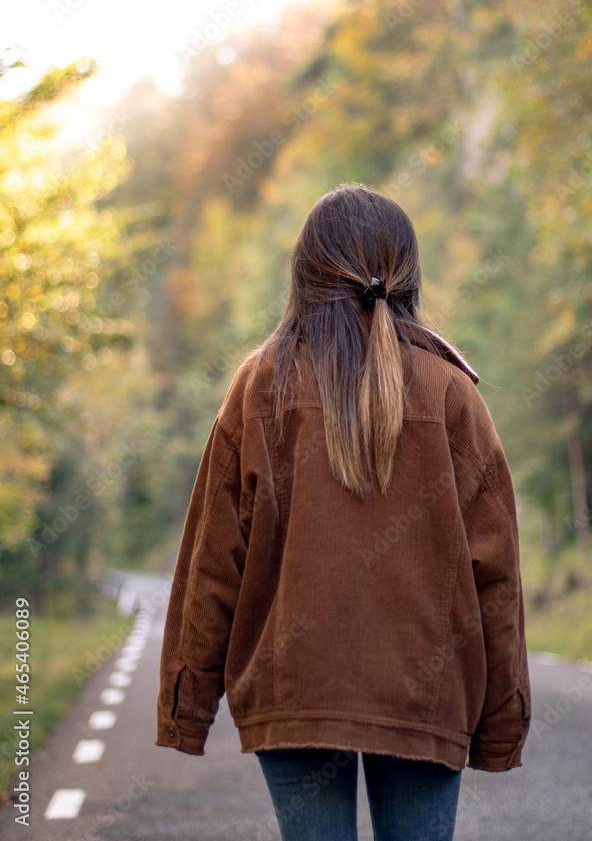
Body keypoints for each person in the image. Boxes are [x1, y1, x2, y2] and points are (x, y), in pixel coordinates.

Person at [156, 183, 531, 841]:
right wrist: (500, 722)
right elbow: (494, 576)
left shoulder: (259, 387)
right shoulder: (453, 395)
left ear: (304, 271)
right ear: (406, 273)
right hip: (425, 692)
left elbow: (214, 562)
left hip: (293, 688)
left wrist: (186, 705)